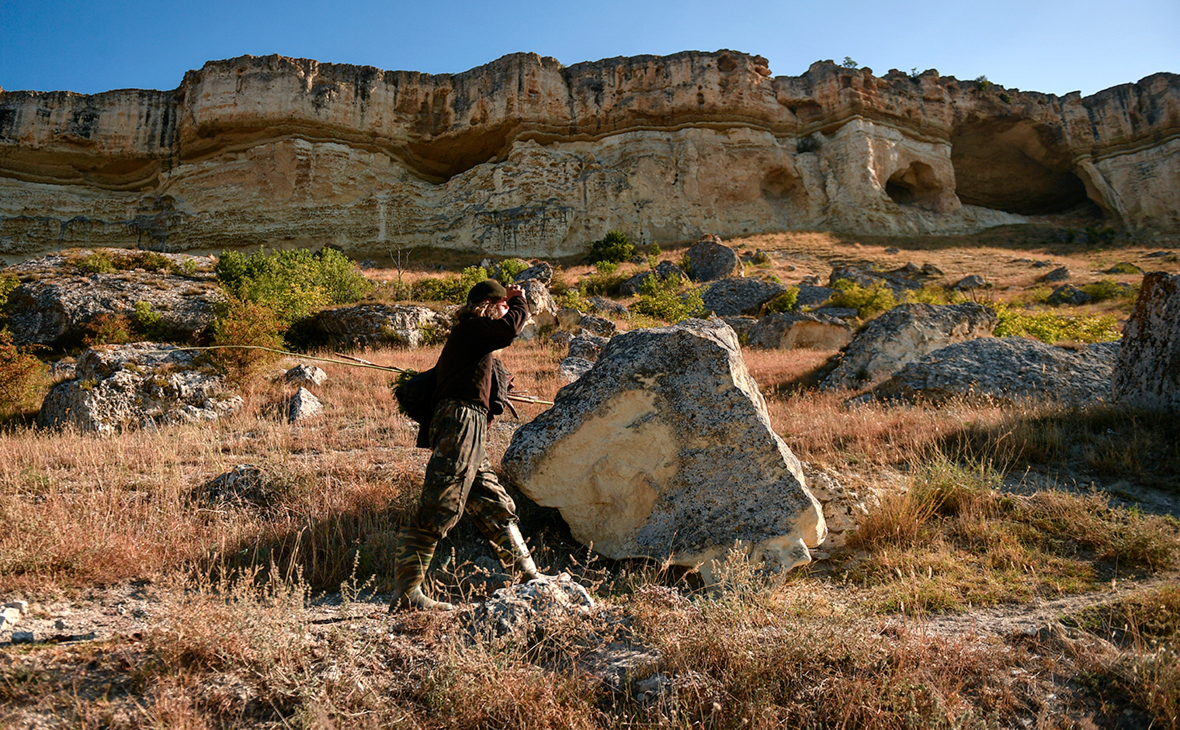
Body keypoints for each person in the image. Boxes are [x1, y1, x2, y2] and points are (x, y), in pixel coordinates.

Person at [390, 279, 551, 612]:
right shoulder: (473, 328)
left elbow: (492, 386)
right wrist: (519, 301)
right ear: (489, 305)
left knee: (494, 503)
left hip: (471, 425)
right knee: (441, 502)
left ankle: (529, 579)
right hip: (460, 420)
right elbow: (508, 330)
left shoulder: (477, 343)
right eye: (503, 306)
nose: (508, 311)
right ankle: (407, 595)